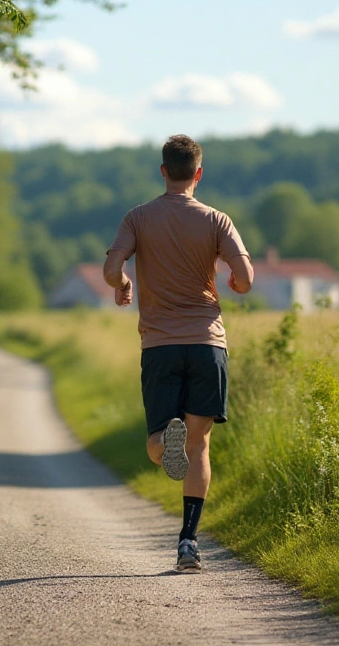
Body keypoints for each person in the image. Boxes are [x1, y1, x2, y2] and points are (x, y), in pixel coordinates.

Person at [102, 134, 254, 573]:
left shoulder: (138, 217)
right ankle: (188, 542)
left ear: (164, 171)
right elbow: (244, 278)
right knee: (199, 443)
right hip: (208, 343)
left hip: (161, 345)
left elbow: (112, 270)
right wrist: (231, 283)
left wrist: (125, 284)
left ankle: (160, 442)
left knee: (159, 442)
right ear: (199, 174)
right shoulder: (217, 221)